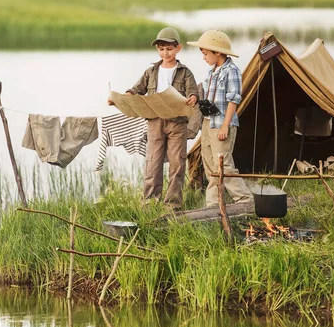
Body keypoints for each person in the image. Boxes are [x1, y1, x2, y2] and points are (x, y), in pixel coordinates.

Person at [108, 27, 199, 210]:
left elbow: (193, 93)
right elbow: (135, 90)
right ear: (158, 49)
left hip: (177, 123)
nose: (165, 53)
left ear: (178, 48)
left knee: (177, 163)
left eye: (169, 49)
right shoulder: (151, 72)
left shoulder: (185, 72)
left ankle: (172, 204)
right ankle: (149, 203)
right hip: (155, 122)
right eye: (161, 49)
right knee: (153, 162)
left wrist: (192, 98)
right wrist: (123, 97)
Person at [187, 30, 254, 208]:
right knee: (210, 167)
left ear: (217, 52)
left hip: (222, 124)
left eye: (205, 54)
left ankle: (245, 201)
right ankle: (213, 206)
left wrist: (225, 126)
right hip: (208, 123)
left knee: (223, 166)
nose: (204, 58)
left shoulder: (231, 71)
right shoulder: (212, 72)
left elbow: (234, 100)